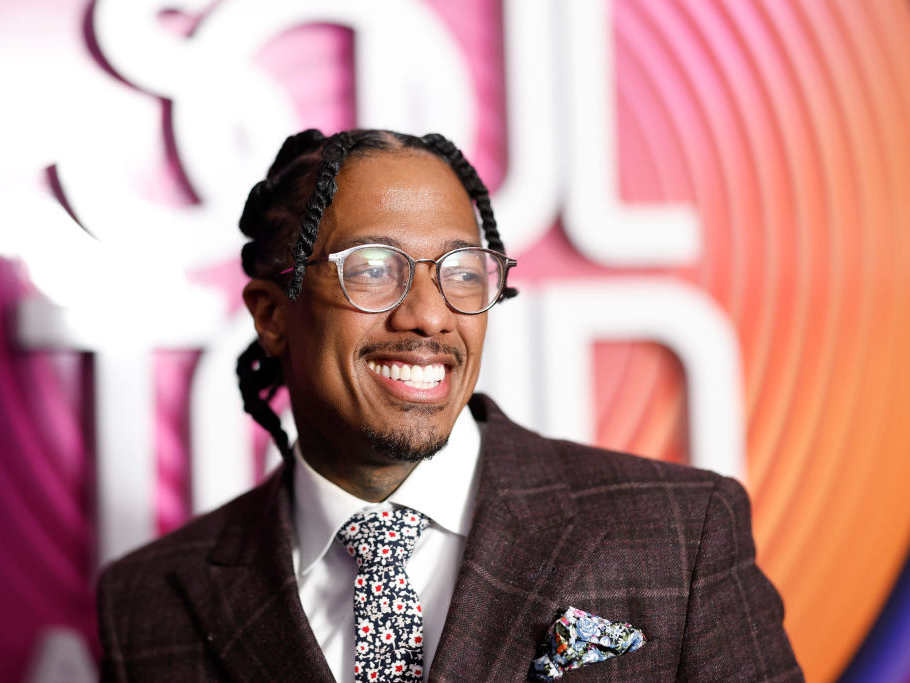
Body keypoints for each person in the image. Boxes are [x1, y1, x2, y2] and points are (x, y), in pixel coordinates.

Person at [97, 129, 803, 681]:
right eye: (373, 269)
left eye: (462, 273)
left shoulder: (679, 535)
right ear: (272, 315)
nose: (431, 317)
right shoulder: (149, 605)